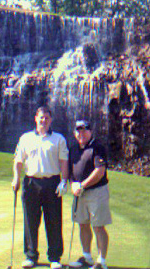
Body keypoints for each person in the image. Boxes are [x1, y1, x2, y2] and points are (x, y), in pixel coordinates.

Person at [12, 106, 69, 269]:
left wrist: (64, 181)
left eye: (47, 118)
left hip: (52, 183)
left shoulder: (59, 139)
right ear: (36, 119)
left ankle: (55, 257)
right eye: (41, 117)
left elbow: (64, 161)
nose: (43, 120)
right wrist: (16, 177)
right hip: (31, 183)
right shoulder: (26, 138)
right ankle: (31, 256)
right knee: (31, 221)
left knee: (54, 220)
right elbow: (18, 161)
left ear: (51, 120)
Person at [68, 120, 112, 269]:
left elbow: (99, 172)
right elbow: (70, 170)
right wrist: (73, 183)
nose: (81, 134)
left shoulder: (97, 147)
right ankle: (86, 257)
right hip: (79, 192)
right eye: (78, 131)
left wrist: (82, 185)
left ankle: (101, 261)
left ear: (90, 131)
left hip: (96, 192)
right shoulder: (73, 148)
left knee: (98, 226)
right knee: (83, 224)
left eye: (84, 130)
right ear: (75, 133)